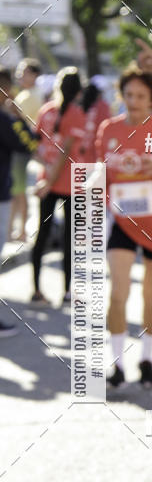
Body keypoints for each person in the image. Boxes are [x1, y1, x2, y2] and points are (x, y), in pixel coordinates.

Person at [96, 65, 152, 388]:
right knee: (118, 293)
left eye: (141, 96)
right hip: (122, 222)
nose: (133, 102)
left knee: (150, 296)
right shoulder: (109, 129)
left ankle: (146, 359)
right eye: (128, 95)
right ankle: (116, 363)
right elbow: (103, 172)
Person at [32, 67, 87, 305]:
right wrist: (51, 179)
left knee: (42, 235)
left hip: (47, 182)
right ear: (78, 90)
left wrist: (45, 175)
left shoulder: (45, 111)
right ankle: (66, 293)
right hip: (67, 185)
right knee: (69, 239)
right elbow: (66, 152)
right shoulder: (76, 113)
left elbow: (37, 146)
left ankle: (36, 291)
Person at [0, 66, 39, 335]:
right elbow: (30, 143)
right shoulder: (4, 120)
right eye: (8, 87)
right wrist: (19, 119)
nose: (12, 92)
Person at [10, 58, 43, 242]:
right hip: (21, 146)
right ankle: (14, 228)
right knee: (16, 189)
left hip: (22, 146)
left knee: (19, 190)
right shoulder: (28, 94)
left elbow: (18, 119)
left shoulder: (31, 95)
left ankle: (21, 230)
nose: (20, 75)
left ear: (34, 75)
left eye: (24, 71)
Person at [80, 75, 112, 161]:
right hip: (96, 156)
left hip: (79, 155)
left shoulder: (80, 105)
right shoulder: (103, 106)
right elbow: (108, 131)